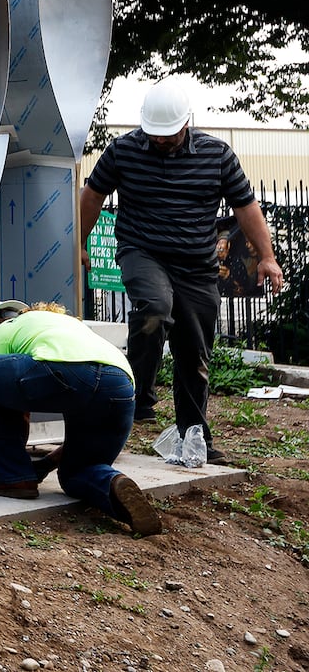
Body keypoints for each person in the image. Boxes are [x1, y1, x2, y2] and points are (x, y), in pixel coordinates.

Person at [78, 80, 284, 463]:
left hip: (196, 265)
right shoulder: (123, 151)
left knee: (195, 351)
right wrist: (78, 242)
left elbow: (246, 207)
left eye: (167, 135)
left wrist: (268, 257)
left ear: (186, 123)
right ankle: (137, 397)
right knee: (155, 308)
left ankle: (195, 433)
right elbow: (92, 194)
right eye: (153, 135)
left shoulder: (217, 155)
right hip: (142, 251)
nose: (159, 141)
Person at [0, 299, 162, 536]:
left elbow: (6, 406)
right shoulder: (65, 325)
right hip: (120, 385)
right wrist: (46, 464)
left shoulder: (0, 332)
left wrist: (16, 464)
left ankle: (11, 477)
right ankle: (113, 483)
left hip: (67, 371)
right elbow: (89, 389)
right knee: (76, 474)